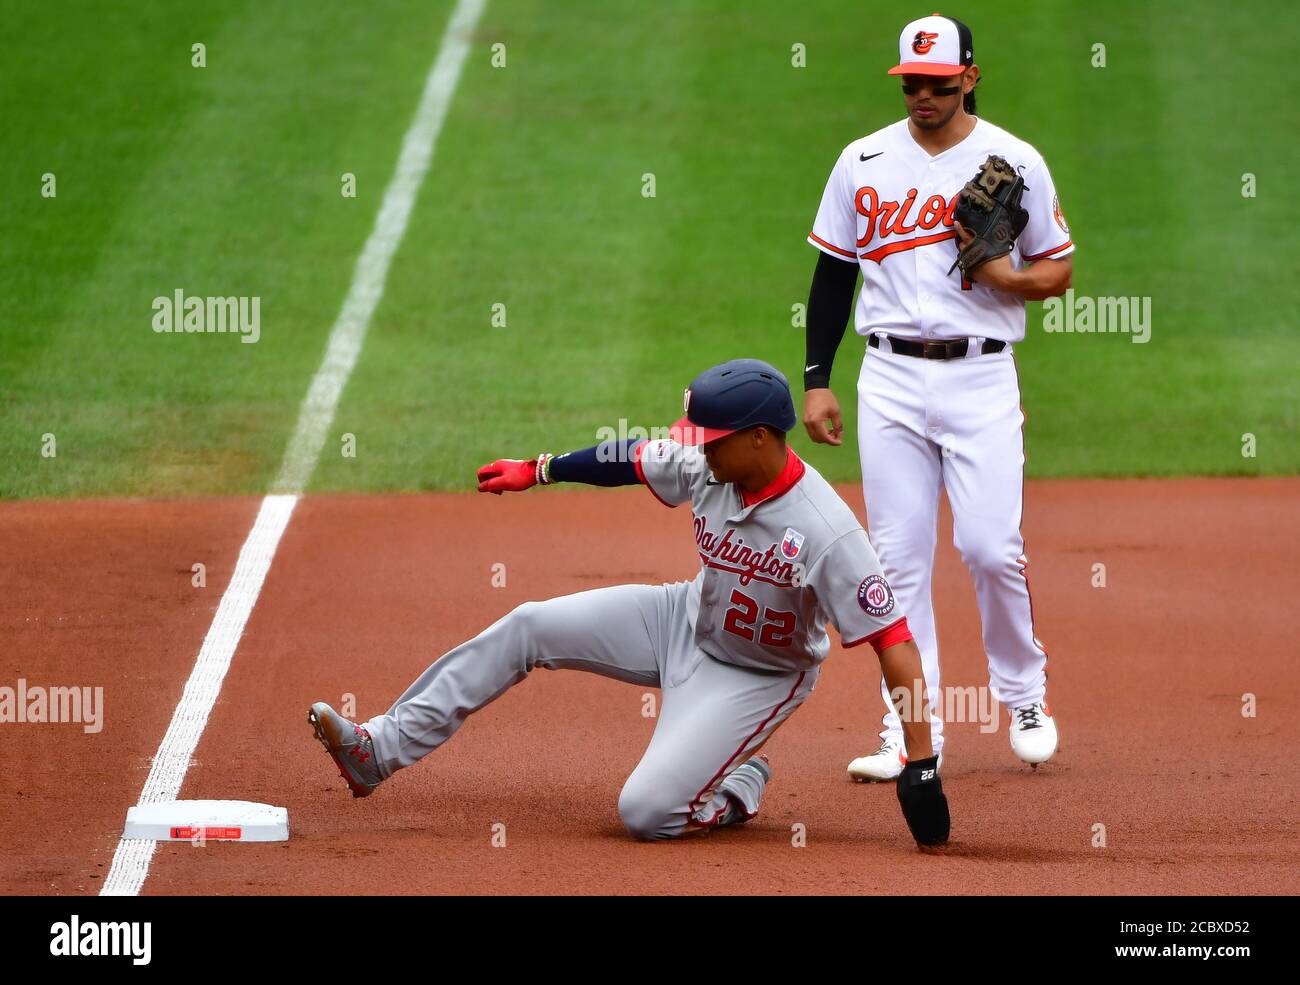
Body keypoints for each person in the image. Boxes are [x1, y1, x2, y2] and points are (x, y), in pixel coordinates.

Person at [309, 358, 949, 845]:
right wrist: (539, 470)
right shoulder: (709, 465)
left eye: (710, 437)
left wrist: (920, 761)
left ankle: (739, 787)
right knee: (529, 624)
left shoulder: (827, 531)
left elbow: (893, 641)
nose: (695, 448)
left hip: (760, 676)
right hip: (682, 619)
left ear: (759, 437)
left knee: (645, 814)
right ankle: (378, 750)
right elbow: (631, 458)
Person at [801, 14, 1072, 781]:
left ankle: (1023, 694)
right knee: (897, 563)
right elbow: (833, 274)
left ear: (970, 79)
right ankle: (910, 732)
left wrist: (1006, 279)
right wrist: (817, 378)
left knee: (991, 548)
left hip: (980, 376)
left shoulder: (1014, 160)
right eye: (911, 83)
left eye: (938, 84)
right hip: (886, 378)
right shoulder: (862, 160)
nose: (922, 95)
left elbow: (1059, 269)